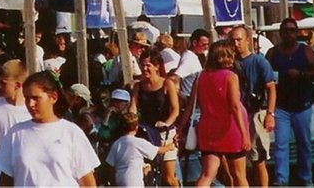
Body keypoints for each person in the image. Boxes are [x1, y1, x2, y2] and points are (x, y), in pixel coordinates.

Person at [0, 71, 99, 186]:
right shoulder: (15, 134)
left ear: (53, 97)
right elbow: (5, 181)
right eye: (27, 98)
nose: (30, 104)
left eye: (36, 98)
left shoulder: (72, 132)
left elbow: (88, 183)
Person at [178, 40, 250, 188]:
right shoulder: (230, 76)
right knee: (238, 175)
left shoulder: (201, 77)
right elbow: (235, 106)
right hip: (231, 128)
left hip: (208, 129)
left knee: (206, 174)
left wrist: (180, 129)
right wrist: (245, 135)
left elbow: (191, 105)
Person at [264, 18, 314, 187]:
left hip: (302, 105)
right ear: (280, 34)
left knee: (304, 144)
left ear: (297, 32)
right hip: (281, 107)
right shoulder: (272, 53)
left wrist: (301, 74)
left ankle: (306, 178)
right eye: (285, 31)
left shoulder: (305, 50)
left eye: (291, 30)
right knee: (281, 144)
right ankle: (281, 180)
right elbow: (265, 76)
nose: (288, 34)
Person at [229, 25, 277, 188]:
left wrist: (270, 114)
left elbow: (271, 88)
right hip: (236, 114)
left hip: (255, 112)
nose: (236, 44)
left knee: (258, 159)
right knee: (238, 160)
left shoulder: (259, 61)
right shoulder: (230, 63)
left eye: (239, 40)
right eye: (233, 40)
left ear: (247, 40)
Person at [129, 49, 179, 187]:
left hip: (165, 133)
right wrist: (130, 122)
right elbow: (133, 107)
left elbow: (175, 110)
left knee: (168, 178)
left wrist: (166, 123)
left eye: (148, 65)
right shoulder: (139, 86)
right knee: (147, 174)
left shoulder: (167, 84)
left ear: (157, 66)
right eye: (142, 65)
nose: (144, 69)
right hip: (146, 133)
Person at [105, 111, 175, 188]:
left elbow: (110, 165)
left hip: (120, 181)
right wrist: (170, 147)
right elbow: (157, 150)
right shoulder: (138, 142)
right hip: (134, 182)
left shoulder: (117, 143)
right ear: (137, 127)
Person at [172, 29, 211, 104]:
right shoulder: (189, 58)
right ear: (194, 43)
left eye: (207, 44)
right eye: (203, 44)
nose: (206, 47)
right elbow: (175, 77)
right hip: (191, 101)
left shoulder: (193, 56)